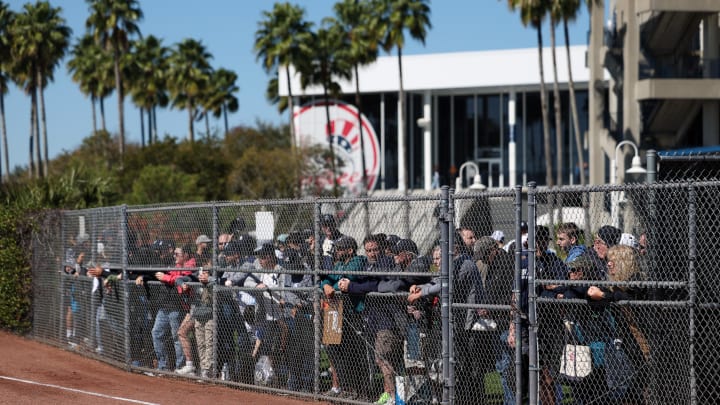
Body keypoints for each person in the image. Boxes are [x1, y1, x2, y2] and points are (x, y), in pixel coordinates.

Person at [319, 236, 369, 400]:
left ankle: (360, 391)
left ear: (350, 250)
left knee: (354, 354)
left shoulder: (358, 261)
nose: (337, 251)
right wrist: (326, 285)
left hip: (354, 313)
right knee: (336, 351)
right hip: (337, 311)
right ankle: (345, 387)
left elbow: (347, 279)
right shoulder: (339, 264)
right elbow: (327, 279)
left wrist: (332, 284)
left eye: (341, 249)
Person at [136, 244, 193, 372]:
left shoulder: (189, 267)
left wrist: (166, 278)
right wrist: (144, 277)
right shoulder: (174, 266)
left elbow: (180, 278)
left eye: (177, 254)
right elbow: (157, 275)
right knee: (156, 333)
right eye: (174, 254)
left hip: (176, 308)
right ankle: (163, 366)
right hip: (164, 307)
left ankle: (180, 366)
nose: (174, 256)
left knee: (176, 337)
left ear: (185, 256)